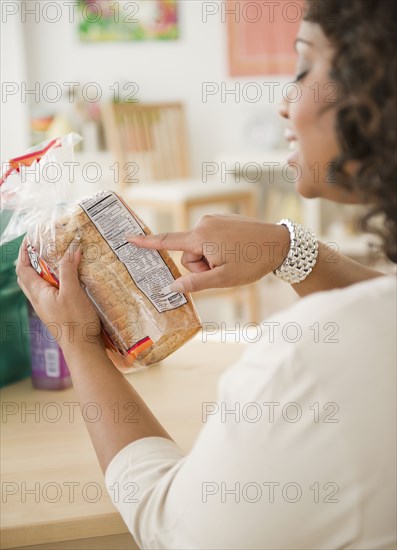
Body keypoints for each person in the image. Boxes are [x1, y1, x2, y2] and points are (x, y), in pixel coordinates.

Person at [16, 0, 396, 548]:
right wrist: (288, 248)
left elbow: (173, 528)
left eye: (304, 67)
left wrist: (76, 342)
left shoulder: (311, 361)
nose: (284, 102)